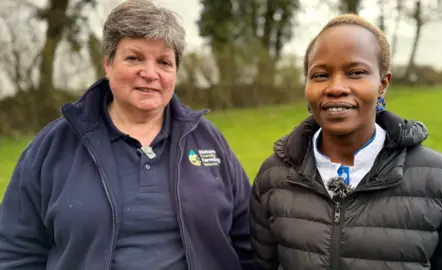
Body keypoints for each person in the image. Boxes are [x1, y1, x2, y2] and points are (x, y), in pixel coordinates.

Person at [0, 1, 254, 269]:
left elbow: (248, 241)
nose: (150, 74)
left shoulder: (208, 141)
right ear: (108, 64)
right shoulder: (53, 146)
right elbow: (16, 251)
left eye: (164, 62)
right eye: (134, 58)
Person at [249, 14, 442, 270]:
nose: (336, 87)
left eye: (356, 73)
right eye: (320, 75)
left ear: (382, 84)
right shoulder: (273, 178)